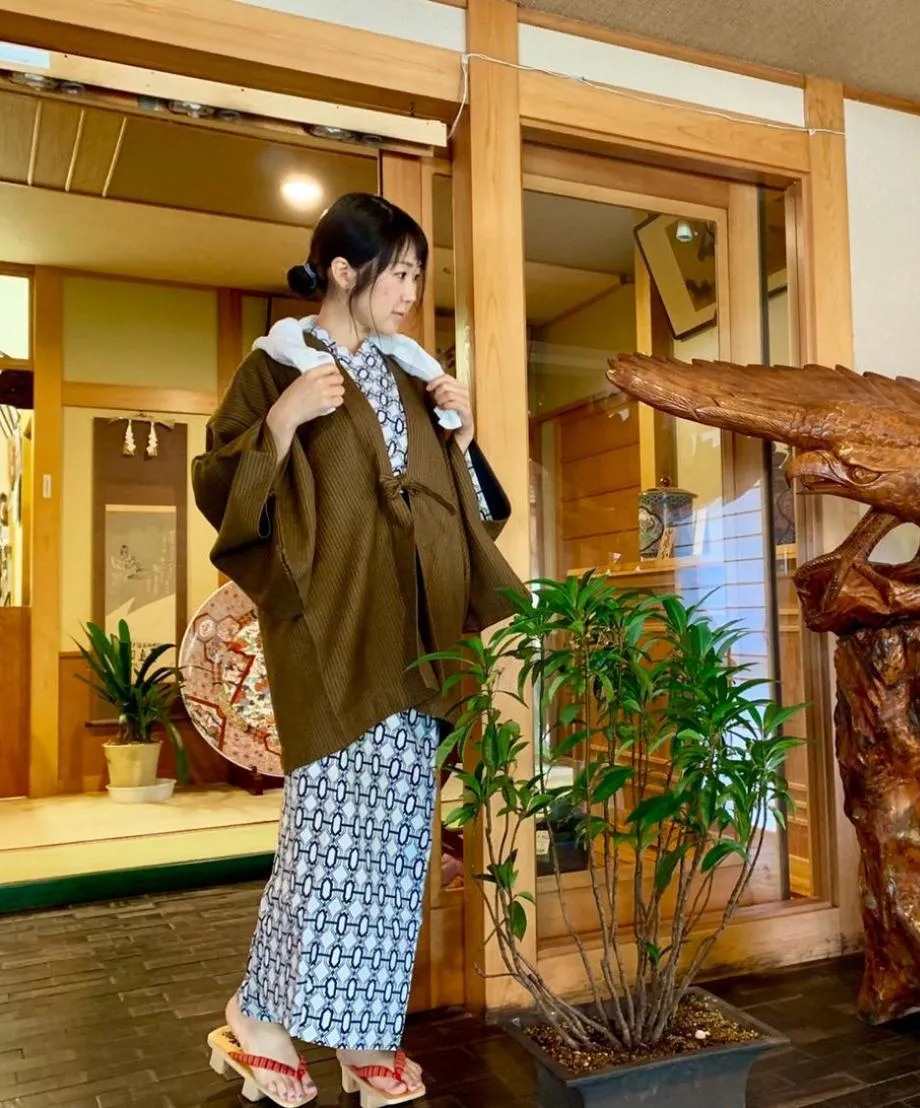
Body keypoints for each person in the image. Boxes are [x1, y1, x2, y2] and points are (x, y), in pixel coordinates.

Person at [192, 192, 523, 1107]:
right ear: (345, 271)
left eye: (421, 274)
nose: (414, 291)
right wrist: (287, 418)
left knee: (396, 848)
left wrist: (462, 433)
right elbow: (225, 488)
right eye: (402, 271)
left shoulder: (414, 373)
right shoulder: (278, 366)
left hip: (414, 640)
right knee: (326, 842)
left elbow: (475, 511)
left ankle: (363, 1036)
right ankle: (261, 1017)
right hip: (333, 637)